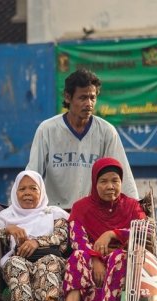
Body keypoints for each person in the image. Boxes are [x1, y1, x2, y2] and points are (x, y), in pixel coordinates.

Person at [26, 68, 138, 210]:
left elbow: (124, 179)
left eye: (92, 98)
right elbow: (32, 175)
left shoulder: (107, 132)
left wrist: (137, 211)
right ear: (68, 97)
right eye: (83, 97)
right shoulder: (47, 130)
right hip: (54, 214)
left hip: (93, 215)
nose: (89, 103)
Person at [63, 157, 146, 301]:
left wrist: (111, 234)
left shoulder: (132, 206)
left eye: (115, 181)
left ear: (121, 182)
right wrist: (95, 258)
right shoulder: (80, 207)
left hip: (119, 258)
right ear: (95, 183)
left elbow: (144, 231)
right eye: (103, 181)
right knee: (76, 256)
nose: (110, 186)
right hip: (90, 258)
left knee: (119, 258)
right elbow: (77, 238)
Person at [0, 170, 69, 301]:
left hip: (49, 258)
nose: (27, 193)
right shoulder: (6, 216)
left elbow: (62, 237)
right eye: (22, 189)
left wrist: (36, 242)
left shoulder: (54, 213)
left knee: (48, 262)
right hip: (19, 260)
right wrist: (8, 230)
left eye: (33, 188)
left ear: (41, 191)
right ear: (15, 192)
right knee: (14, 263)